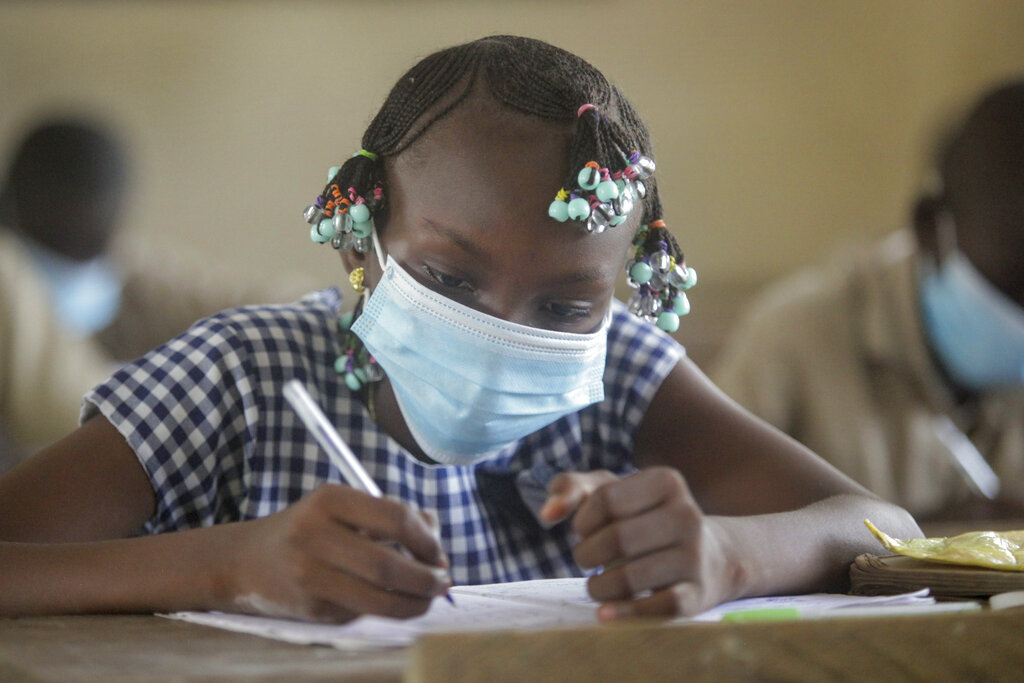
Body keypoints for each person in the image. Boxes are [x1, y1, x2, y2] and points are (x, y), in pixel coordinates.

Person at [0, 36, 918, 622]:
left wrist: (728, 554)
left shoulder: (622, 379)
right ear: (361, 237)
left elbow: (886, 529)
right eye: (447, 276)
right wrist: (227, 564)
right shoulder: (239, 377)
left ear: (621, 290)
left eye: (566, 306)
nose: (503, 330)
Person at [712, 80, 1024, 522]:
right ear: (932, 228)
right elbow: (712, 528)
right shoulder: (792, 340)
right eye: (1015, 284)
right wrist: (918, 541)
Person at [0, 118, 315, 461]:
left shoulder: (116, 263)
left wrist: (317, 324)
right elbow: (69, 410)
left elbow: (242, 298)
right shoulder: (10, 275)